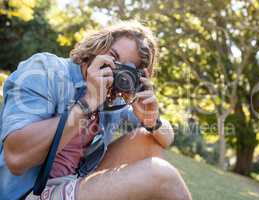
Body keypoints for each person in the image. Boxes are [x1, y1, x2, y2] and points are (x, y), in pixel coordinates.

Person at [0, 21, 192, 200]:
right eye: (113, 57)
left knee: (148, 141)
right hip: (29, 193)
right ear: (98, 46)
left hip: (72, 182)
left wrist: (152, 120)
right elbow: (16, 159)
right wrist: (87, 103)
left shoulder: (113, 100)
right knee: (160, 174)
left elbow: (167, 138)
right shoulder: (47, 69)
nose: (115, 70)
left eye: (126, 69)